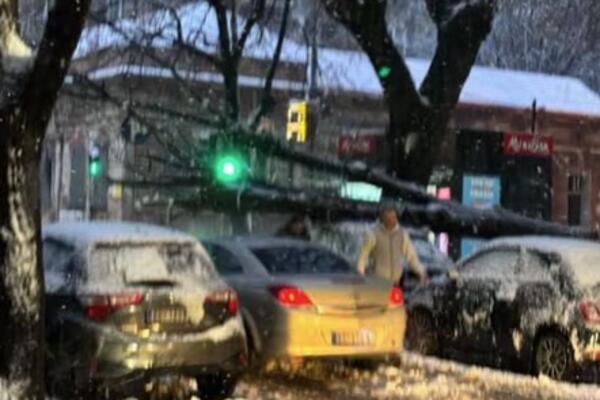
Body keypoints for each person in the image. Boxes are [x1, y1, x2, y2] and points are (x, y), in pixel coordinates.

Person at [357, 202, 429, 286]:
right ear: (382, 218)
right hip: (377, 281)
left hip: (395, 282)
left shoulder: (402, 234)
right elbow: (363, 256)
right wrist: (360, 274)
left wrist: (421, 271)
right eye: (388, 217)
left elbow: (411, 257)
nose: (391, 220)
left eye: (393, 216)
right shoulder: (373, 234)